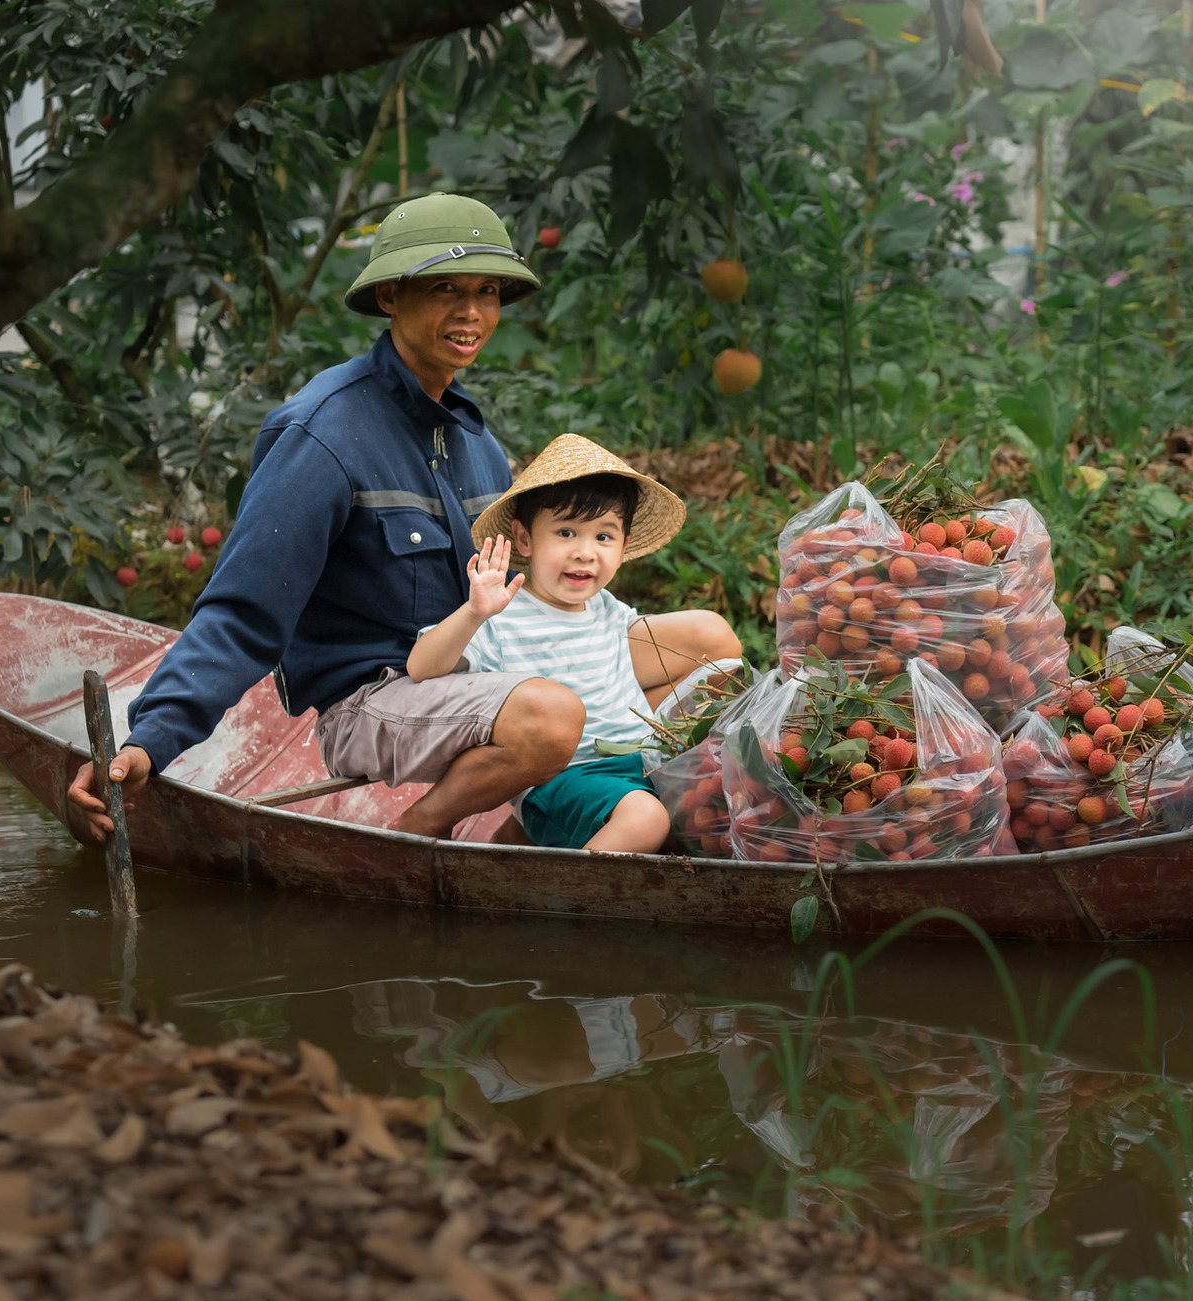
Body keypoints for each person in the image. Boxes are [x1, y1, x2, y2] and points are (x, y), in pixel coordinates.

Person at [65, 193, 721, 843]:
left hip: (480, 671)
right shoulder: (322, 434)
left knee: (711, 641)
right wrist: (148, 740)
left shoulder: (476, 445)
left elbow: (535, 598)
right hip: (378, 698)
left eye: (487, 290)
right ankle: (422, 831)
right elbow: (242, 617)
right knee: (550, 716)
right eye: (444, 289)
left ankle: (605, 787)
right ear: (390, 298)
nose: (471, 312)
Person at [407, 433, 741, 852]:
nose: (585, 553)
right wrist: (474, 612)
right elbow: (422, 667)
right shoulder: (503, 616)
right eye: (566, 533)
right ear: (525, 540)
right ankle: (571, 899)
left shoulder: (606, 610)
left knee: (726, 792)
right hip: (567, 777)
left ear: (623, 547)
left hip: (640, 761)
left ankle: (524, 841)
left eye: (603, 537)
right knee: (646, 818)